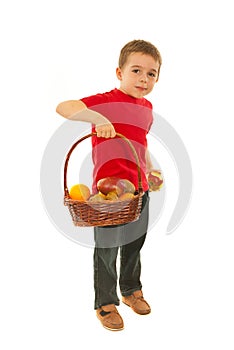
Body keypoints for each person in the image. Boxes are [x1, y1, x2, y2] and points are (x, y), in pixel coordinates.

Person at [56, 39, 162, 331]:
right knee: (107, 247)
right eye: (136, 70)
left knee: (133, 243)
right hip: (109, 194)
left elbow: (140, 142)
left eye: (151, 74)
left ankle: (130, 290)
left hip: (138, 190)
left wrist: (151, 168)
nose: (143, 78)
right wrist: (97, 117)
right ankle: (106, 302)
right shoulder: (107, 100)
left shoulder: (148, 107)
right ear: (119, 72)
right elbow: (64, 107)